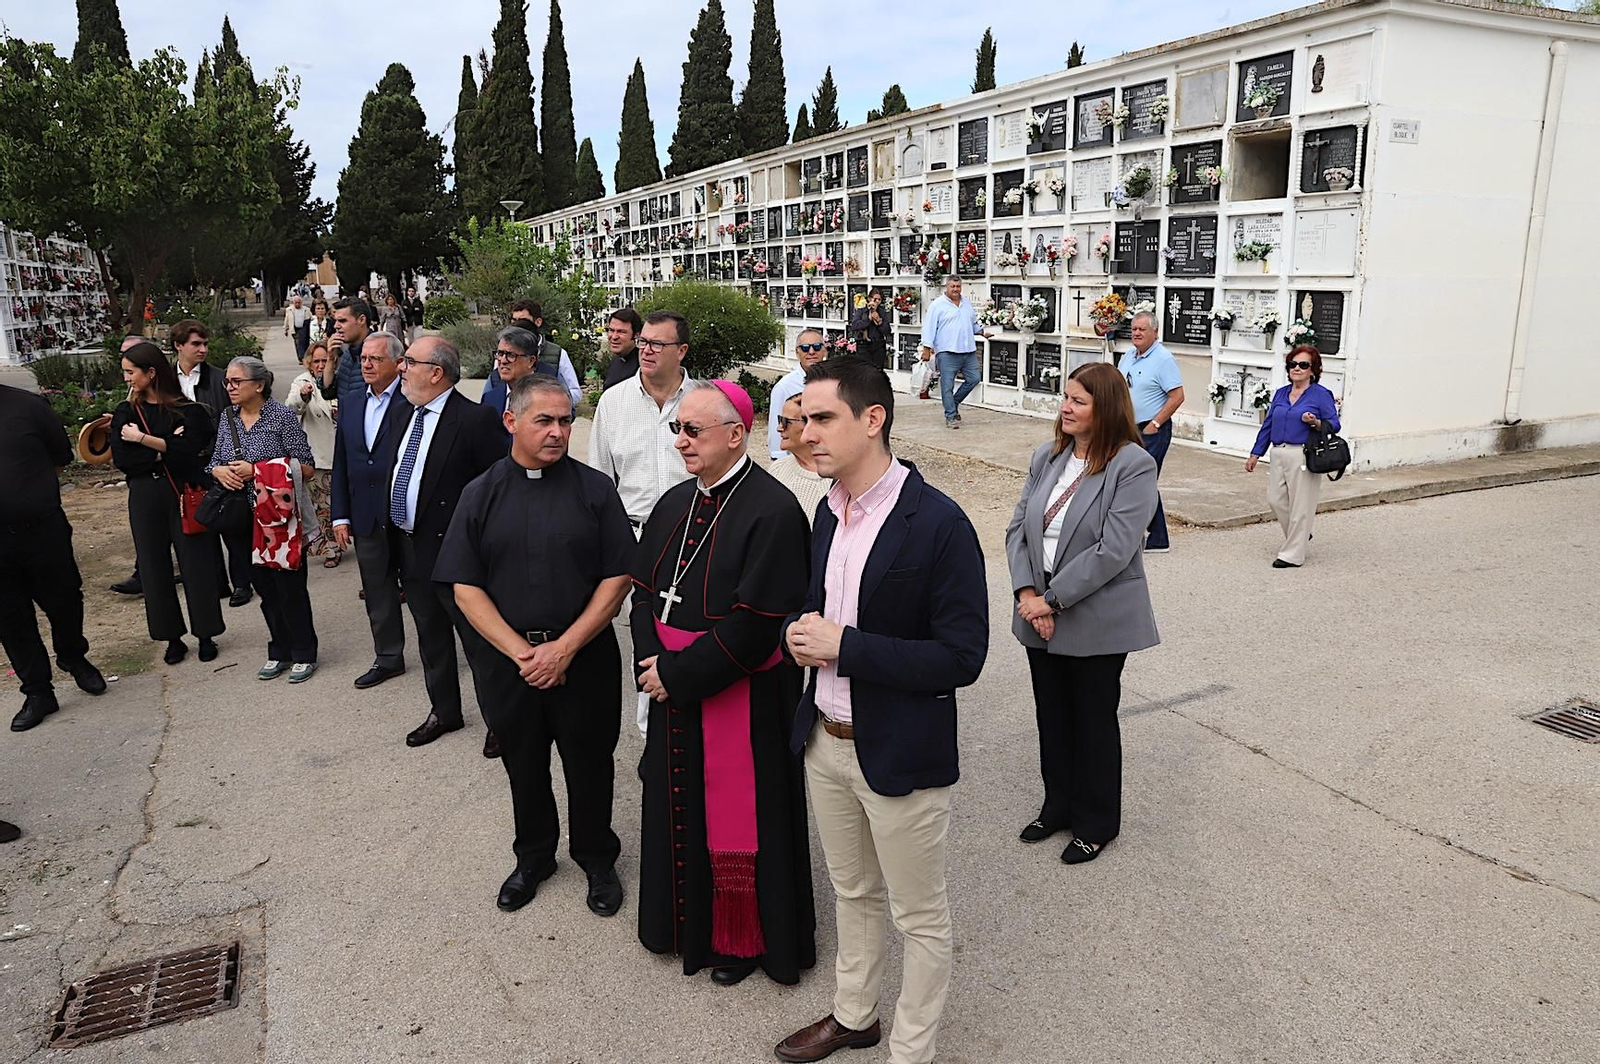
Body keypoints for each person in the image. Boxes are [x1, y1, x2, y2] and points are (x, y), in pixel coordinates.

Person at [776, 357, 988, 1064]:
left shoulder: (940, 525)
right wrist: (802, 635)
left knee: (919, 916)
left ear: (873, 420)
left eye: (822, 418)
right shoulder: (826, 512)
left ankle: (912, 1051)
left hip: (900, 747)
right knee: (852, 891)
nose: (806, 434)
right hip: (825, 740)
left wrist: (847, 646)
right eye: (802, 419)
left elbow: (962, 658)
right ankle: (854, 1015)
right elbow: (822, 611)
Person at [631, 380, 816, 988]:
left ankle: (745, 939)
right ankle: (676, 924)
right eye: (676, 430)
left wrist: (677, 674)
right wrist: (651, 662)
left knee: (743, 819)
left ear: (735, 435)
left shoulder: (773, 510)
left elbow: (760, 624)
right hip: (671, 687)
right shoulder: (675, 503)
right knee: (674, 805)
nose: (680, 441)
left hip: (741, 695)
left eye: (693, 431)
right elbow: (643, 596)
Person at [438, 375, 632, 916]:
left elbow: (617, 579)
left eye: (565, 421)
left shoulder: (595, 490)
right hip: (512, 666)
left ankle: (596, 857)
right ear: (511, 421)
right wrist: (524, 653)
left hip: (584, 659)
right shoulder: (481, 493)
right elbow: (465, 586)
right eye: (543, 420)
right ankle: (534, 857)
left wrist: (565, 648)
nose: (557, 432)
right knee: (523, 764)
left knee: (590, 764)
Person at [1005, 362, 1159, 866]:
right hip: (1037, 611)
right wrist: (1029, 593)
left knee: (1092, 719)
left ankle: (1096, 822)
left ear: (1106, 408)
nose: (1065, 407)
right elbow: (1016, 531)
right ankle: (1058, 806)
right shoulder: (1046, 457)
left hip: (1095, 615)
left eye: (1078, 400)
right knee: (1052, 715)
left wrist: (1052, 601)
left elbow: (1114, 551)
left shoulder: (1132, 465)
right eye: (1065, 397)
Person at [388, 336, 508, 750]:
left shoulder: (476, 421)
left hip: (458, 554)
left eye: (409, 361)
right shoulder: (403, 413)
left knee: (479, 643)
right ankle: (444, 711)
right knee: (430, 636)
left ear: (436, 373)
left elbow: (498, 490)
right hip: (411, 546)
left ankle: (499, 721)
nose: (401, 368)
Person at [110, 343, 225, 667]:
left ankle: (206, 633)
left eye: (131, 371)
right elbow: (123, 459)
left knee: (196, 562)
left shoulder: (188, 410)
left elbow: (189, 449)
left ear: (151, 372)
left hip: (184, 492)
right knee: (152, 565)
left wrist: (144, 440)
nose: (127, 378)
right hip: (145, 494)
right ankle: (171, 637)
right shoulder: (126, 413)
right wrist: (164, 447)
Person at [0, 383, 107, 731]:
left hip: (42, 530)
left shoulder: (29, 406)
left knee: (64, 601)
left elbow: (60, 458)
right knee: (10, 619)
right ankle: (37, 692)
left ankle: (74, 657)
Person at [207, 357, 320, 683]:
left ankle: (304, 651)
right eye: (227, 381)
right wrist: (218, 470)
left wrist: (257, 471)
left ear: (258, 384)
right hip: (241, 517)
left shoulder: (281, 417)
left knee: (290, 589)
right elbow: (214, 460)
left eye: (236, 381)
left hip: (279, 519)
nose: (229, 387)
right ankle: (279, 650)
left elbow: (307, 467)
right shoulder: (227, 417)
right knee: (264, 589)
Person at [331, 333, 411, 691]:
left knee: (422, 591)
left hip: (405, 514)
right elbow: (342, 461)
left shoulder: (412, 402)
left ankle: (436, 652)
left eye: (375, 359)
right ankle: (388, 657)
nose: (365, 364)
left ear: (397, 363)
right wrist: (340, 516)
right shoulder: (349, 403)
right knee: (377, 591)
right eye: (363, 358)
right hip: (365, 514)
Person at [588, 310, 697, 538]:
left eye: (657, 344)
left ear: (681, 351)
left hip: (693, 536)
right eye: (643, 342)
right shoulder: (613, 401)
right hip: (632, 536)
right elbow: (599, 476)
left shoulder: (704, 400)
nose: (646, 351)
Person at [1246, 345, 1341, 569]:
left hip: (1303, 453)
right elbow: (1268, 424)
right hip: (1278, 451)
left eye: (1303, 365)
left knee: (1301, 505)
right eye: (1293, 364)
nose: (1296, 368)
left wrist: (1315, 422)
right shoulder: (1281, 393)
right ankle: (1301, 534)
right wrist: (1255, 453)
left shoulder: (1320, 395)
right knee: (1275, 499)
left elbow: (1334, 424)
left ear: (1313, 369)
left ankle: (1292, 555)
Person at [1115, 311, 1184, 554]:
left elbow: (1177, 396)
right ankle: (1146, 533)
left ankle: (1157, 537)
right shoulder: (1128, 356)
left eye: (1142, 329)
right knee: (1129, 480)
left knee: (1142, 480)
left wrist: (1155, 423)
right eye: (1134, 329)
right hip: (1128, 427)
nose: (1136, 333)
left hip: (1152, 429)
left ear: (1155, 332)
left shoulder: (1163, 359)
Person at [287, 342, 341, 568]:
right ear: (309, 362)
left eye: (325, 360)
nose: (321, 365)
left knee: (341, 502)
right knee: (323, 506)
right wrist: (302, 395)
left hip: (343, 452)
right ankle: (331, 548)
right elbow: (290, 408)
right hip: (319, 453)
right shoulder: (302, 382)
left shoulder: (339, 379)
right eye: (316, 361)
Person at [919, 275, 992, 429]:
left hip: (967, 350)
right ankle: (951, 415)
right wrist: (926, 348)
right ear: (947, 287)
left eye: (958, 286)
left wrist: (982, 332)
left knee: (974, 379)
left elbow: (972, 324)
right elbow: (929, 327)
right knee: (947, 386)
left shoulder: (966, 303)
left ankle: (954, 402)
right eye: (952, 286)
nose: (955, 289)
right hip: (947, 351)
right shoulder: (937, 305)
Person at [480, 327, 563, 436]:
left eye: (511, 355)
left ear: (531, 361)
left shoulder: (550, 398)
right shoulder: (490, 398)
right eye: (500, 354)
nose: (503, 361)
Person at [764, 327, 829, 460]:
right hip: (798, 459)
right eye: (805, 348)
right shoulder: (784, 387)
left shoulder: (833, 381)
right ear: (797, 352)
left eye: (816, 347)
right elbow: (776, 429)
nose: (811, 352)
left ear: (824, 350)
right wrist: (779, 460)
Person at [768, 391, 830, 523]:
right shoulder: (777, 469)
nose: (779, 428)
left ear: (809, 425)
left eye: (785, 422)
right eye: (780, 420)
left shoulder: (835, 481)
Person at [507, 301, 583, 406]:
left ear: (538, 322)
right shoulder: (503, 353)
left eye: (523, 321)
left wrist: (550, 403)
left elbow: (575, 392)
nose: (517, 326)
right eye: (514, 321)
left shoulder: (557, 354)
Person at [321, 298, 375, 407]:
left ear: (361, 320)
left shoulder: (380, 352)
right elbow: (328, 392)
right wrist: (331, 359)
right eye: (335, 321)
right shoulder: (347, 354)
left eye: (342, 321)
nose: (336, 326)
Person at [600, 307, 643, 391]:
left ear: (636, 335)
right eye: (611, 330)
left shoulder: (642, 367)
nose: (614, 337)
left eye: (621, 332)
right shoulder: (616, 360)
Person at [849, 289, 893, 370]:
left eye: (879, 300)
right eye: (875, 299)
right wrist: (868, 320)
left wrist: (879, 321)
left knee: (877, 371)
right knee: (864, 371)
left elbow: (887, 331)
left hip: (878, 345)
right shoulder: (861, 311)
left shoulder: (882, 312)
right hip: (863, 346)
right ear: (869, 299)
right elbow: (854, 326)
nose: (877, 302)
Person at [283, 294, 311, 363]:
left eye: (299, 302)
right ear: (293, 303)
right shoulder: (289, 310)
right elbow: (287, 320)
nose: (297, 304)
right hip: (295, 329)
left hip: (304, 328)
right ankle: (301, 358)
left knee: (304, 343)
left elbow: (311, 318)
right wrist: (285, 329)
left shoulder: (306, 310)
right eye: (296, 303)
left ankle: (304, 357)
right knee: (298, 343)